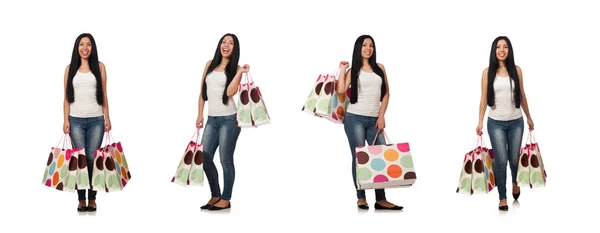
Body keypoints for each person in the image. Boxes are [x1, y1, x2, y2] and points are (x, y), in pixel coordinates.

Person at [337, 35, 403, 210]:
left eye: (371, 45)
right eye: (365, 45)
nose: (368, 48)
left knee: (380, 157)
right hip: (354, 119)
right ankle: (361, 197)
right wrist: (343, 69)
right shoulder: (354, 70)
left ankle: (381, 199)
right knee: (359, 158)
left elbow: (386, 94)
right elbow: (341, 91)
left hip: (375, 120)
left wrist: (381, 116)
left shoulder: (379, 68)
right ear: (358, 48)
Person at [475, 36, 534, 211]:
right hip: (496, 124)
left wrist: (529, 117)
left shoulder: (517, 70)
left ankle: (515, 181)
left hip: (516, 122)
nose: (502, 50)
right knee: (501, 161)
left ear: (509, 50)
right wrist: (479, 122)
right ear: (494, 51)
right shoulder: (487, 73)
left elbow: (522, 95)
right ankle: (502, 197)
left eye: (505, 47)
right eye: (498, 47)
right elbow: (484, 98)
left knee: (514, 158)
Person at [196, 33, 249, 211]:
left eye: (231, 43)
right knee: (204, 157)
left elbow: (229, 93)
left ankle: (226, 198)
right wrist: (200, 115)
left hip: (229, 119)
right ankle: (215, 194)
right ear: (220, 45)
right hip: (211, 119)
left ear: (235, 48)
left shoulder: (236, 68)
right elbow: (202, 91)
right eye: (224, 42)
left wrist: (240, 72)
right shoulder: (210, 64)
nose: (226, 45)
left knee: (225, 160)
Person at [62, 33, 112, 212]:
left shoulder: (100, 67)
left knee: (92, 159)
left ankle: (92, 199)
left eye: (88, 44)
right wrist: (65, 119)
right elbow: (66, 97)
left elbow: (104, 94)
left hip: (96, 120)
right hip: (75, 120)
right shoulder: (70, 69)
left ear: (93, 47)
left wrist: (107, 117)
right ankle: (81, 199)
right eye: (81, 44)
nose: (85, 48)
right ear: (77, 48)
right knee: (80, 160)